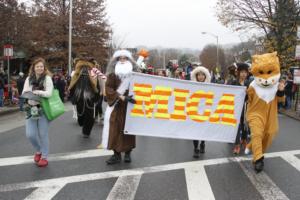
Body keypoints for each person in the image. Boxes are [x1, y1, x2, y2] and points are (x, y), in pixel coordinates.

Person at [245, 52, 285, 173]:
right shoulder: (252, 86)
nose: (266, 78)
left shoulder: (277, 85)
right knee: (257, 133)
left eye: (269, 72)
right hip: (255, 114)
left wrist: (281, 91)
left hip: (270, 116)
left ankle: (252, 146)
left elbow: (281, 101)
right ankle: (258, 159)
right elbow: (247, 99)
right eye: (262, 73)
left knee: (269, 133)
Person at [102, 49, 137, 164]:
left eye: (125, 58)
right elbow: (108, 88)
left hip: (130, 106)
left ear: (129, 60)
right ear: (116, 60)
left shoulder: (134, 75)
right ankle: (116, 154)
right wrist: (120, 96)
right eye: (120, 58)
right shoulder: (112, 75)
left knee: (129, 129)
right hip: (116, 106)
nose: (122, 60)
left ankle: (128, 153)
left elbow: (140, 87)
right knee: (114, 129)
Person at [22, 57, 54, 167]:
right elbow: (24, 92)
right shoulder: (28, 78)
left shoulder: (47, 79)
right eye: (37, 66)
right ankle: (39, 150)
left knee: (43, 134)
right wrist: (30, 93)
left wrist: (38, 92)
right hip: (31, 108)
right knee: (30, 135)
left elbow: (49, 93)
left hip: (44, 109)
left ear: (44, 67)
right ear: (34, 68)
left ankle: (44, 157)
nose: (40, 68)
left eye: (41, 66)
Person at [69, 58, 100, 138]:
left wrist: (97, 97)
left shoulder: (93, 75)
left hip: (90, 98)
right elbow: (72, 86)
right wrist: (72, 97)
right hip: (79, 97)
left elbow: (97, 86)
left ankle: (86, 132)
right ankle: (82, 122)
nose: (84, 70)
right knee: (80, 114)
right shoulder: (76, 75)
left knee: (89, 116)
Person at [227, 63, 250, 155]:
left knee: (245, 126)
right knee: (237, 126)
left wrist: (248, 94)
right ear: (238, 73)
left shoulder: (249, 83)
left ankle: (244, 140)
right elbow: (229, 94)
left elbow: (251, 96)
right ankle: (237, 145)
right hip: (236, 107)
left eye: (245, 72)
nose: (244, 74)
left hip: (246, 107)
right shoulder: (233, 82)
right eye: (242, 72)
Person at [190, 66, 211, 158]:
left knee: (203, 130)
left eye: (203, 75)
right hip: (194, 111)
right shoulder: (191, 86)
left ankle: (202, 143)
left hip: (205, 111)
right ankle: (196, 148)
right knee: (194, 130)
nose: (201, 76)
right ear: (196, 76)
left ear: (206, 76)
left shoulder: (211, 87)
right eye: (199, 75)